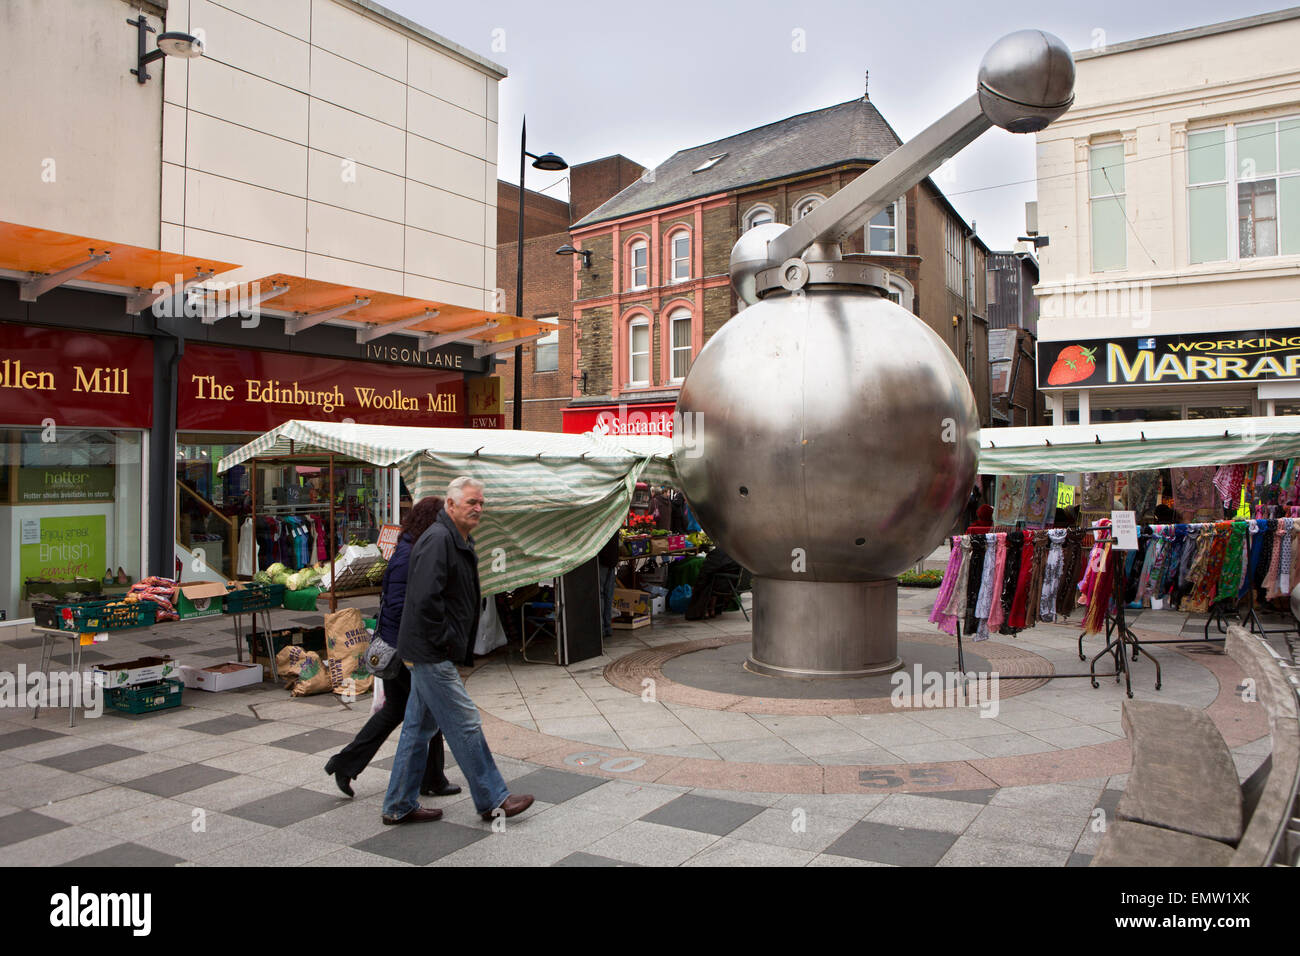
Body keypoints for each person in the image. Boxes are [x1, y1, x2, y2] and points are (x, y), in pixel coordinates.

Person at [381, 476, 533, 826]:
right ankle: (493, 799)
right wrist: (447, 640)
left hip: (430, 648)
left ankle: (398, 804)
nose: (478, 508)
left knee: (417, 728)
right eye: (471, 503)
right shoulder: (439, 540)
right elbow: (424, 599)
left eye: (481, 502)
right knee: (465, 722)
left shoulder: (457, 537)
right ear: (451, 505)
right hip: (431, 651)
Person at [323, 497, 458, 799]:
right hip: (405, 649)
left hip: (396, 645)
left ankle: (346, 763)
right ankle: (428, 781)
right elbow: (401, 605)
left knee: (398, 711)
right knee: (428, 710)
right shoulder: (413, 553)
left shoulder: (406, 548)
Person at [597, 529, 621, 640]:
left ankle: (601, 628)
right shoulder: (615, 522)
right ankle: (607, 627)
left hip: (603, 559)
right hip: (612, 559)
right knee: (608, 594)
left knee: (601, 594)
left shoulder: (604, 522)